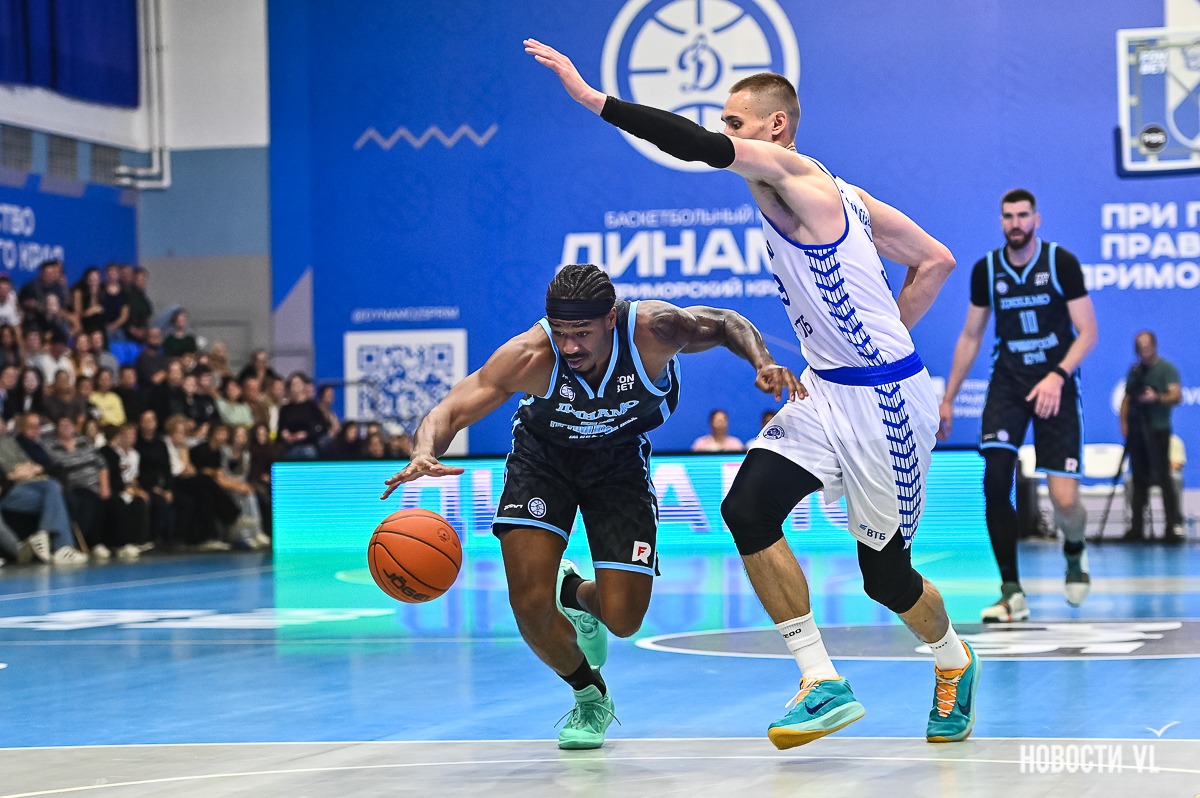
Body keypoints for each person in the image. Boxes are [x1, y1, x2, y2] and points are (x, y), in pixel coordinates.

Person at [527, 41, 975, 748]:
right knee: (746, 507)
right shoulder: (846, 194)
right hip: (828, 390)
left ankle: (953, 661)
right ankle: (820, 680)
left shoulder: (797, 174)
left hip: (886, 404)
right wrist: (867, 338)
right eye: (725, 123)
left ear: (776, 127)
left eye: (737, 123)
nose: (726, 135)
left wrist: (594, 101)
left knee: (887, 579)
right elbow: (935, 260)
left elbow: (697, 146)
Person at [382, 263, 801, 749]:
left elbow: (726, 322)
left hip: (618, 462)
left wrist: (763, 362)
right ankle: (589, 694)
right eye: (561, 333)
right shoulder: (529, 356)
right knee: (528, 603)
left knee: (623, 620)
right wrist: (424, 450)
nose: (570, 346)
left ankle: (573, 593)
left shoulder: (654, 330)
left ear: (610, 319)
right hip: (543, 459)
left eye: (581, 333)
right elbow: (451, 409)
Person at [939, 190, 1099, 620]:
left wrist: (1057, 375)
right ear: (1001, 221)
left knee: (1064, 501)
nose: (1016, 223)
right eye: (1008, 216)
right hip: (1008, 383)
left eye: (1023, 215)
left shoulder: (1060, 263)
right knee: (995, 482)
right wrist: (948, 398)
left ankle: (1074, 549)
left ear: (1036, 219)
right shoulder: (987, 270)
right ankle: (1011, 591)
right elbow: (971, 336)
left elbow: (1088, 332)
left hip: (1056, 384)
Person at [1121, 331, 1184, 543]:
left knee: (1163, 477)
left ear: (1155, 347)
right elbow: (1128, 398)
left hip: (1158, 430)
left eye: (1147, 347)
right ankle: (1137, 528)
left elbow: (1176, 396)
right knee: (1138, 478)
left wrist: (1156, 397)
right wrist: (1124, 423)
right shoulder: (1135, 371)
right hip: (1137, 431)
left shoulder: (1166, 369)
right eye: (1140, 348)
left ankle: (1171, 527)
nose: (1144, 352)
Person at [0, 418, 86, 564]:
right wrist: (16, 474)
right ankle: (56, 546)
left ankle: (51, 542)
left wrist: (26, 471)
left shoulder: (9, 442)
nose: (2, 424)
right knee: (53, 494)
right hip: (7, 492)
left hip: (19, 486)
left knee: (52, 487)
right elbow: (7, 477)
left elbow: (31, 465)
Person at [45, 415, 111, 556]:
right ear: (57, 429)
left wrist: (105, 486)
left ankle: (95, 543)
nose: (66, 428)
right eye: (62, 425)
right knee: (85, 501)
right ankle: (81, 543)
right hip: (70, 486)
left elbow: (102, 464)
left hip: (92, 485)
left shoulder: (84, 442)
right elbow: (51, 468)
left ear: (74, 427)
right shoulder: (51, 447)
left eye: (69, 425)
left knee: (97, 498)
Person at [99, 422, 150, 559]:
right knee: (119, 503)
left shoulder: (133, 454)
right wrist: (126, 489)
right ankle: (121, 543)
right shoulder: (110, 453)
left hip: (126, 488)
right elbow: (114, 478)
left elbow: (133, 478)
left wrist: (136, 490)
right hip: (115, 489)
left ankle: (137, 541)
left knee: (139, 502)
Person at [277, 372, 327, 459]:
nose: (294, 387)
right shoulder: (285, 409)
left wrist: (306, 434)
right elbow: (280, 427)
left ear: (304, 386)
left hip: (308, 447)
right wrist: (284, 433)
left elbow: (323, 426)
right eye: (292, 385)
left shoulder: (311, 406)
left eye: (297, 384)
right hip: (291, 448)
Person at [73, 267, 107, 336]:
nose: (94, 282)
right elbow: (78, 314)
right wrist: (90, 311)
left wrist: (94, 294)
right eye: (91, 280)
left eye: (96, 279)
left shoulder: (103, 290)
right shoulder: (79, 292)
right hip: (85, 322)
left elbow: (105, 311)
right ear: (86, 280)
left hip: (100, 324)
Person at [124, 266, 153, 343]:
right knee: (173, 309)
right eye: (139, 280)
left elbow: (149, 313)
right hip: (131, 330)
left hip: (145, 328)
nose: (142, 282)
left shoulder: (143, 296)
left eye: (143, 280)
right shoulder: (129, 296)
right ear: (134, 280)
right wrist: (133, 330)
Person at [101, 263, 129, 338]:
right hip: (102, 326)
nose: (112, 274)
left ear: (118, 274)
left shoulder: (123, 292)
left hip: (118, 327)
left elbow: (124, 314)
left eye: (114, 272)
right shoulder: (100, 290)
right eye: (109, 272)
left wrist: (113, 326)